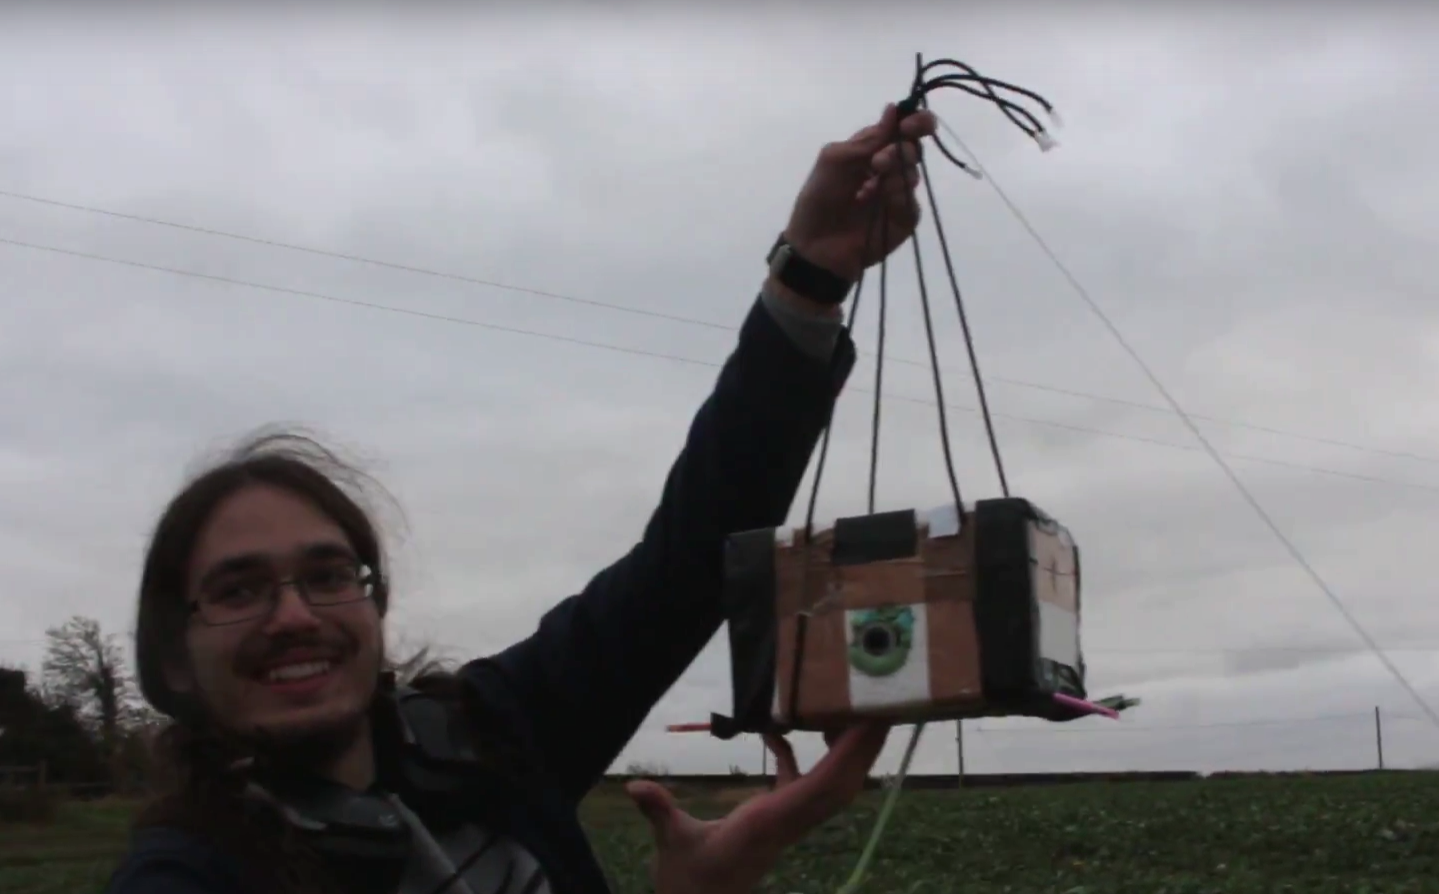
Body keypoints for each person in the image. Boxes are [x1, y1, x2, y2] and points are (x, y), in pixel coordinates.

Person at [105, 103, 938, 894]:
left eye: (328, 575)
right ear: (173, 650)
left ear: (372, 604)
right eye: (240, 589)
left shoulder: (487, 737)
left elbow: (693, 555)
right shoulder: (188, 875)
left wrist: (810, 274)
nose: (295, 616)